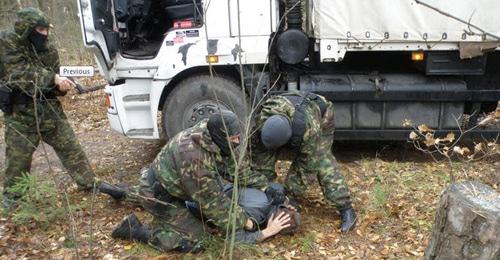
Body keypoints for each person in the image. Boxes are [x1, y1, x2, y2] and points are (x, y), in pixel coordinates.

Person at [99, 110, 297, 252]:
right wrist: (250, 224)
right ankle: (136, 230)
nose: (237, 142)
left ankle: (124, 192)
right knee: (198, 239)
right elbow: (214, 206)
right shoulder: (196, 158)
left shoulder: (213, 134)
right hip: (164, 194)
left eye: (238, 137)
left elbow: (237, 170)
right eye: (234, 138)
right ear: (221, 136)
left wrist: (265, 186)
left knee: (165, 193)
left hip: (170, 182)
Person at [0, 8, 96, 208]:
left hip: (49, 111)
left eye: (46, 29)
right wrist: (53, 78)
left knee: (72, 149)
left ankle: (90, 185)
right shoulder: (7, 42)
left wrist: (62, 85)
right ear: (27, 28)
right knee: (17, 163)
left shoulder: (48, 48)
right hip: (20, 114)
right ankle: (13, 204)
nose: (45, 34)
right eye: (40, 29)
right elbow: (18, 74)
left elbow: (55, 77)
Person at [241, 91, 357, 233]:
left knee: (322, 161)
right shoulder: (260, 122)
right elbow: (257, 159)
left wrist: (288, 196)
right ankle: (266, 205)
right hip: (288, 112)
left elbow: (306, 168)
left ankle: (346, 208)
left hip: (320, 115)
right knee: (260, 165)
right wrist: (266, 188)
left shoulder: (309, 130)